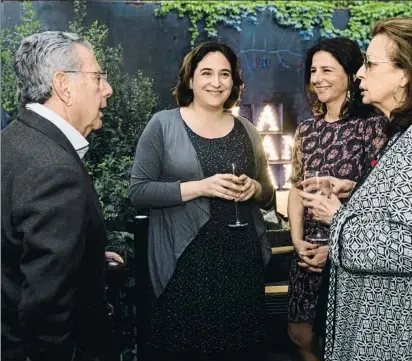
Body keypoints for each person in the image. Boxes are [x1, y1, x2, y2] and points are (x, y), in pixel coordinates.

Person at [129, 41, 274, 361]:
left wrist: (255, 188)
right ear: (190, 79)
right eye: (206, 72)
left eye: (225, 74)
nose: (216, 82)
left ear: (234, 83)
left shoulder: (248, 130)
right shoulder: (163, 125)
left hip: (242, 267)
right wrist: (200, 187)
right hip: (187, 267)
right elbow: (138, 191)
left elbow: (268, 194)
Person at [1, 31, 121, 361]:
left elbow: (18, 253)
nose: (107, 90)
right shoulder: (55, 168)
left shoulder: (13, 141)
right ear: (63, 85)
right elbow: (47, 311)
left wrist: (86, 256)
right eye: (98, 77)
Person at [299, 17, 412, 361]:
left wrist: (339, 218)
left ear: (405, 73)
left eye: (371, 64)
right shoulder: (399, 136)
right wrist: (354, 189)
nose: (360, 74)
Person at [286, 37, 388, 361]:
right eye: (313, 70)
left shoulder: (373, 127)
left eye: (327, 69)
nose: (317, 78)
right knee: (299, 335)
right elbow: (295, 190)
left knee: (340, 341)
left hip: (349, 252)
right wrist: (297, 241)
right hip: (308, 252)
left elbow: (378, 197)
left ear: (350, 73)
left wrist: (335, 247)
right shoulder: (306, 130)